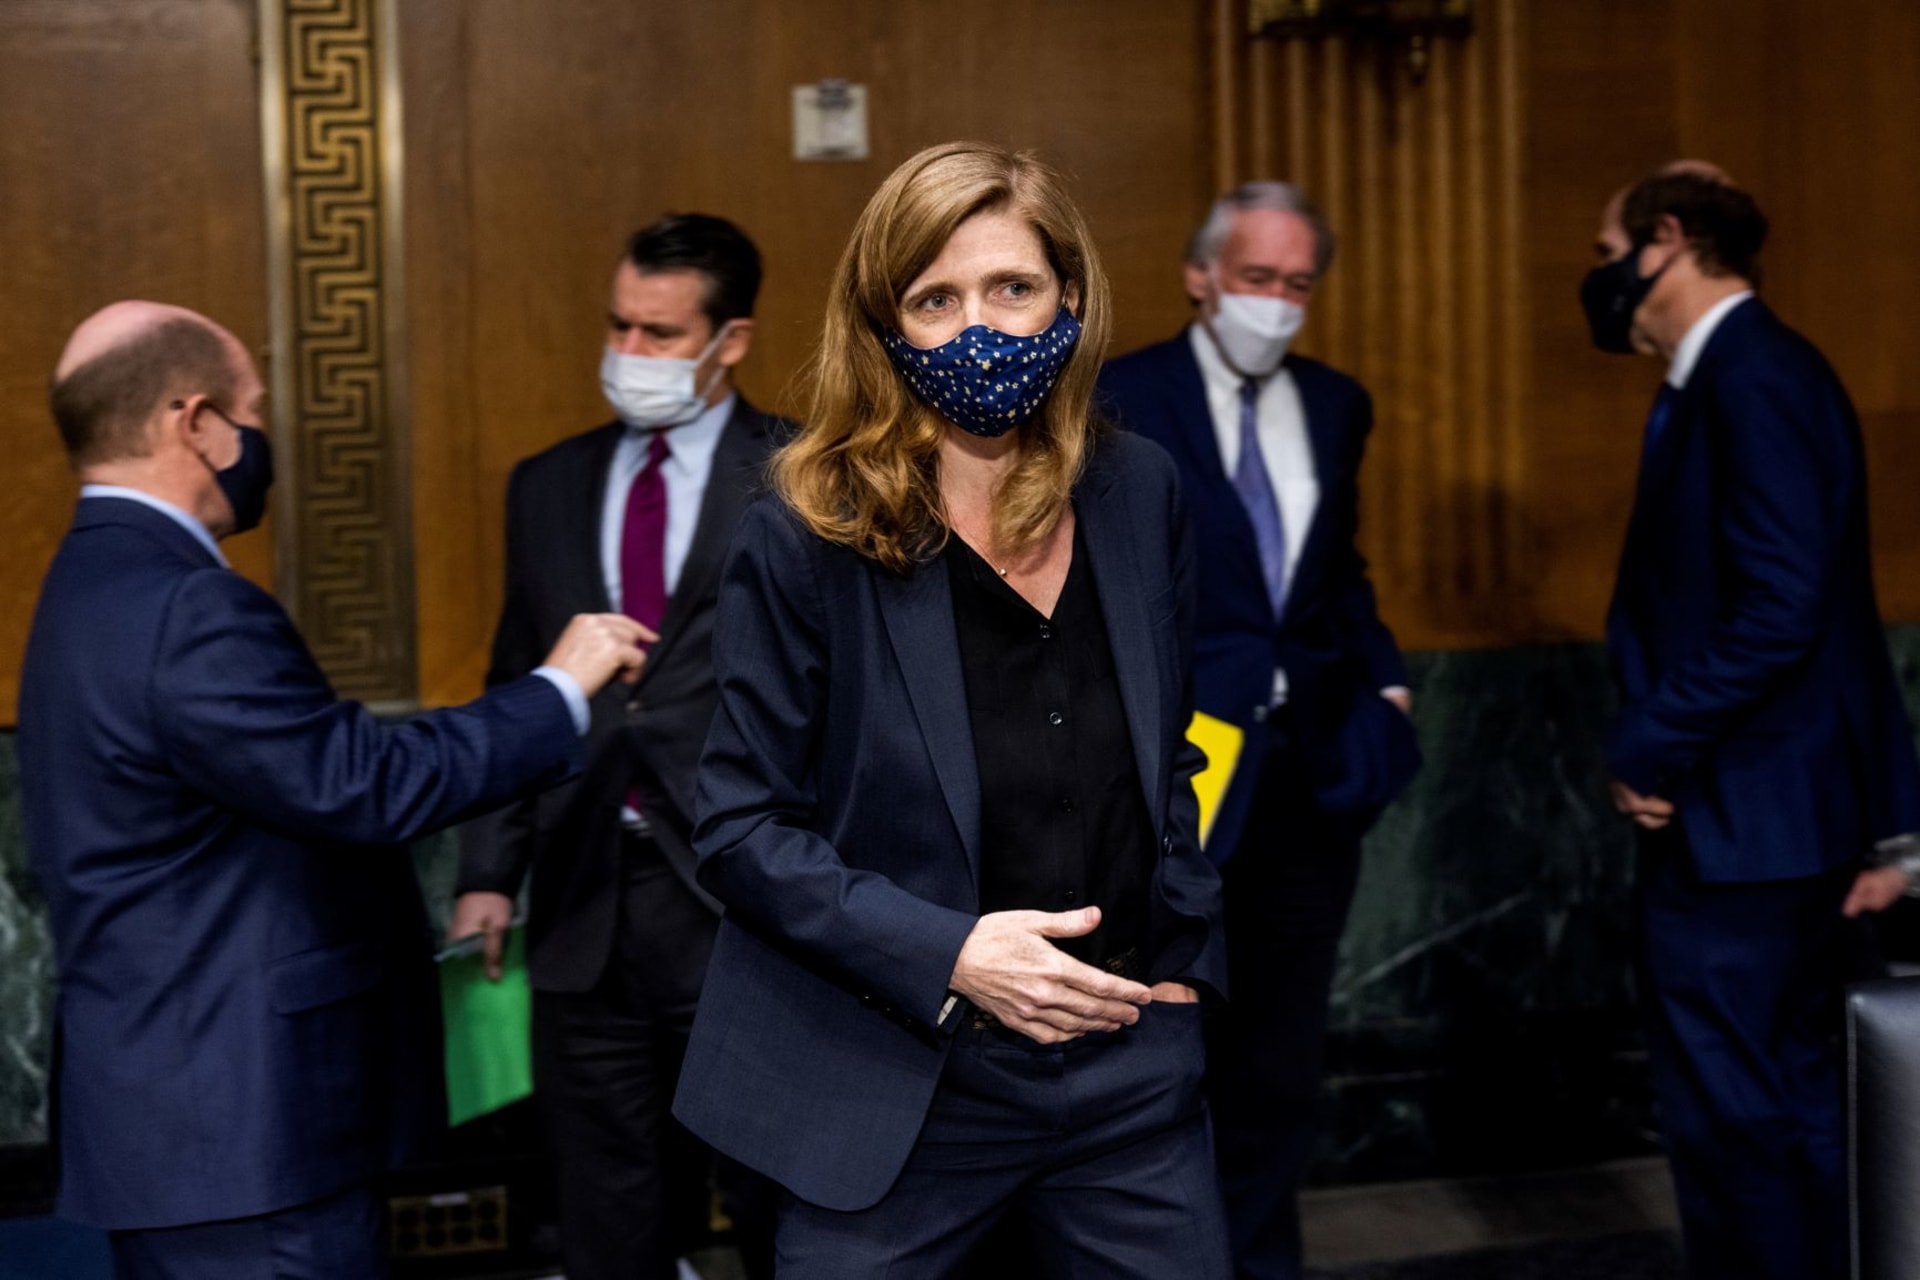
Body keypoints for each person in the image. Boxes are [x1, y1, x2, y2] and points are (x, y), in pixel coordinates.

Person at [670, 141, 1231, 1277]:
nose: (981, 327)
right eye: (937, 299)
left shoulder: (1141, 489)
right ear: (887, 329)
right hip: (894, 1081)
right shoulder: (804, 532)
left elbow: (1167, 751)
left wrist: (1183, 964)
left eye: (1012, 288)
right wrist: (952, 953)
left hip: (1128, 1070)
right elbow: (738, 829)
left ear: (1068, 297)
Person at [19, 301, 648, 1279]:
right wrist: (557, 686)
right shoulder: (188, 602)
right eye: (252, 409)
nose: (260, 436)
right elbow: (362, 781)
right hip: (246, 1132)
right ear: (195, 422)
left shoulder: (88, 581)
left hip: (175, 1118)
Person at [1585, 167, 1920, 1280]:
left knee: (1745, 1122)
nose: (1600, 278)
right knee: (1773, 1110)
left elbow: (1786, 607)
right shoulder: (1740, 373)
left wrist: (1647, 742)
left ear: (1667, 240)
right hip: (1768, 816)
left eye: (1608, 249)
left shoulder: (1753, 375)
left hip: (1744, 823)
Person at [450, 213, 782, 1280]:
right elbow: (518, 684)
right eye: (618, 328)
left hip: (744, 899)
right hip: (585, 893)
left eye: (659, 335)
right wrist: (489, 872)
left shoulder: (807, 478)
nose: (628, 356)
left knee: (781, 1197)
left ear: (730, 340)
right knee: (606, 1206)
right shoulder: (545, 484)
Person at [1097, 182, 1419, 1280]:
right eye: (1254, 279)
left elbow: (1336, 573)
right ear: (1200, 276)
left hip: (1313, 769)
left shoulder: (1337, 402)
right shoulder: (1123, 395)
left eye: (1297, 283)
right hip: (1181, 774)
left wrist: (1384, 681)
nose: (1277, 303)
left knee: (1282, 1064)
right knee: (1167, 1048)